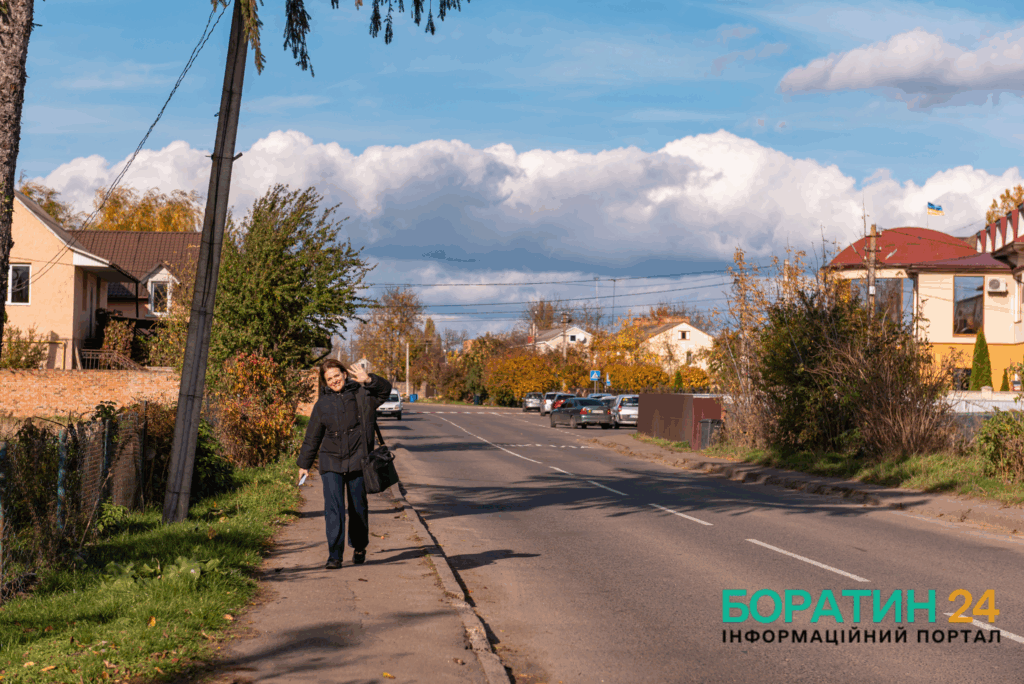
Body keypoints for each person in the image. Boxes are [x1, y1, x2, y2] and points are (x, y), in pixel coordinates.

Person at [298, 359, 393, 569]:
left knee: (358, 507)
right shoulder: (322, 405)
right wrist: (304, 464)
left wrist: (368, 380)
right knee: (334, 509)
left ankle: (359, 547)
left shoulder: (362, 395)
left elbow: (385, 391)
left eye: (336, 375)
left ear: (344, 373)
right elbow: (312, 437)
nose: (334, 381)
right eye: (329, 379)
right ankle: (335, 555)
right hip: (331, 462)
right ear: (325, 382)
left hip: (358, 461)